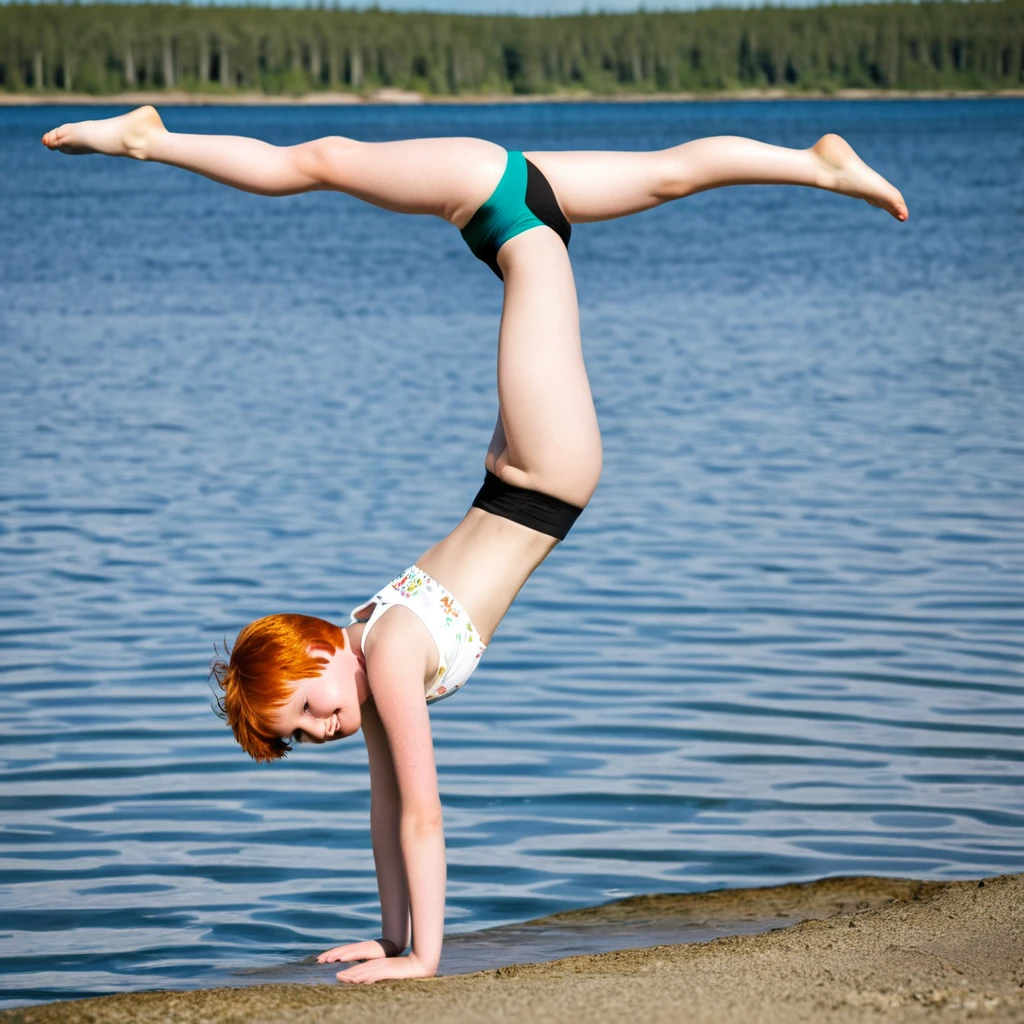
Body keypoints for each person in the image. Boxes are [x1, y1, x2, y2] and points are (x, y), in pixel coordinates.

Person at [42, 106, 908, 984]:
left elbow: (423, 812)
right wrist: (387, 936)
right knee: (663, 175)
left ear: (315, 650)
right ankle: (818, 164)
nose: (321, 731)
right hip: (521, 412)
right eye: (301, 739)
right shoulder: (369, 657)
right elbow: (386, 807)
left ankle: (150, 139)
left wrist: (423, 958)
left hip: (542, 460)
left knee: (322, 160)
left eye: (303, 711)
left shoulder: (382, 659)